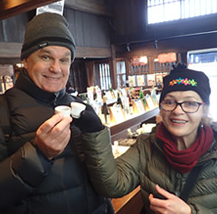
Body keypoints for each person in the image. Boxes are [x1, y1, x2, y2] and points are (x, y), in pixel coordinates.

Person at [0, 12, 114, 214]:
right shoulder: (1, 110)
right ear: (25, 60)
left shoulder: (80, 106)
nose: (55, 68)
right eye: (45, 57)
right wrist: (39, 153)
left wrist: (98, 133)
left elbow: (102, 183)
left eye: (64, 60)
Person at [77, 63, 217, 214]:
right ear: (161, 108)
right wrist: (95, 132)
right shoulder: (146, 145)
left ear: (204, 109)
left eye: (190, 103)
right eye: (169, 102)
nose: (177, 110)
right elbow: (112, 185)